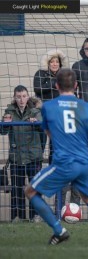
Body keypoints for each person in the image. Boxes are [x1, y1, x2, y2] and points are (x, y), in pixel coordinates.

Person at [24, 68, 88, 245]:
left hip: (64, 163)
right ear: (76, 85)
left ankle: (59, 230)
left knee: (30, 191)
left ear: (56, 85)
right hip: (84, 163)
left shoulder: (48, 107)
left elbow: (49, 132)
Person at [33, 49, 81, 208]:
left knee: (58, 153)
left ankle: (62, 205)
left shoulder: (66, 76)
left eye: (57, 62)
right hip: (44, 116)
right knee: (40, 151)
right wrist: (55, 86)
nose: (54, 64)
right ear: (48, 63)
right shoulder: (40, 74)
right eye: (52, 62)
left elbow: (70, 91)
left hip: (59, 121)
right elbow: (38, 89)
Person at [1, 85, 43, 223]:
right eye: (18, 97)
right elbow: (3, 131)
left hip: (33, 157)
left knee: (34, 187)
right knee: (16, 189)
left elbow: (42, 126)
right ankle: (17, 216)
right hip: (16, 157)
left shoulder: (35, 110)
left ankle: (35, 216)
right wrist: (5, 123)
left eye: (24, 96)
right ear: (14, 98)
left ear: (28, 96)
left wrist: (36, 122)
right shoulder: (9, 111)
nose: (21, 99)